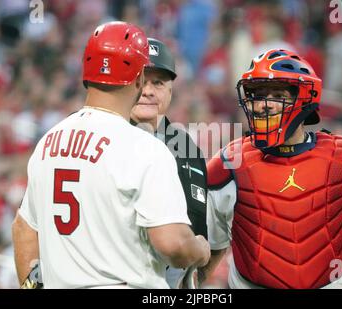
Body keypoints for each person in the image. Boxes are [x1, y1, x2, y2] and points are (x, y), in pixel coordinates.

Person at [11, 21, 210, 289]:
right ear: (138, 79)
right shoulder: (145, 147)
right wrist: (199, 249)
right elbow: (173, 244)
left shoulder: (48, 141)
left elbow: (23, 228)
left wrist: (30, 286)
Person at [200, 49, 342, 289]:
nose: (262, 105)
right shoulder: (228, 164)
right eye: (257, 95)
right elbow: (208, 255)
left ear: (305, 98)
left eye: (276, 95)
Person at [130, 38, 208, 288]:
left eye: (158, 83)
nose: (148, 90)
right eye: (141, 80)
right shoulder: (102, 137)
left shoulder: (185, 147)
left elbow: (198, 229)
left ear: (170, 92)